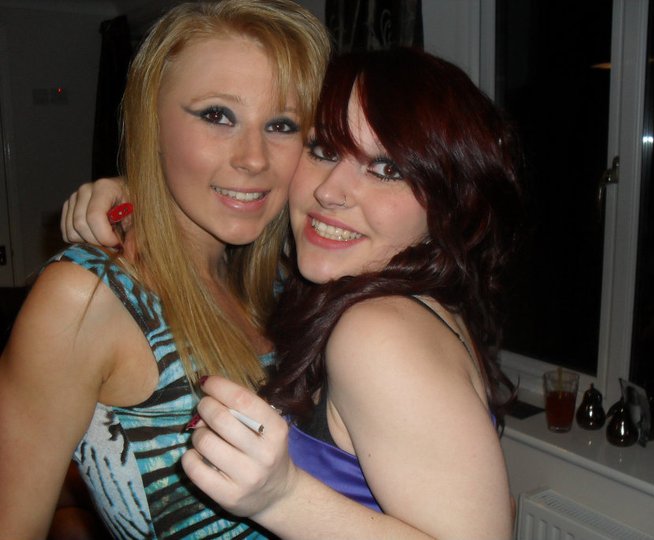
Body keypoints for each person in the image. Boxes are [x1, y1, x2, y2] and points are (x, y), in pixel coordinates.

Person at [62, 48, 524, 539]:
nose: (329, 191)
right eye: (324, 150)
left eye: (387, 169)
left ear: (450, 202)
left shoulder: (379, 332)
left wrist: (282, 497)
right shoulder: (413, 297)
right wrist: (138, 193)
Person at [0, 1, 330, 538]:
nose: (254, 158)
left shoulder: (283, 282)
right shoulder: (87, 298)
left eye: (281, 124)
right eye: (218, 115)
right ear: (151, 123)